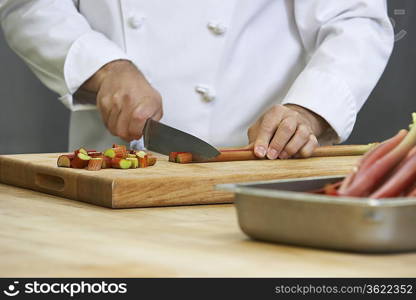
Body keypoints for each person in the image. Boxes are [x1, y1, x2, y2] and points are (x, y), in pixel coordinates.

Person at [0, 0, 394, 159]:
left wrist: (307, 111)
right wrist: (104, 68)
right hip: (108, 175)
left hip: (251, 172)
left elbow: (355, 20)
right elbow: (29, 5)